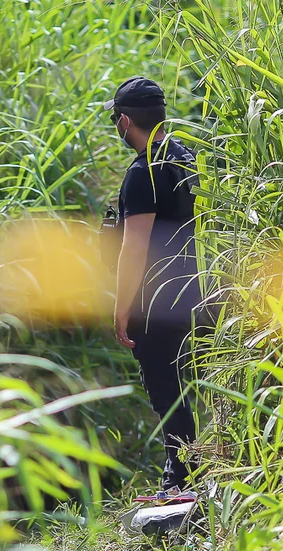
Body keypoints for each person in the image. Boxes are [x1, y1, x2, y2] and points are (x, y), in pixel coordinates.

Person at [105, 76, 205, 493]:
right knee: (184, 381)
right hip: (195, 286)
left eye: (116, 120)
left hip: (157, 297)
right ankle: (191, 467)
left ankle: (182, 476)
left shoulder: (141, 172)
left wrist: (121, 306)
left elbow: (134, 248)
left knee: (165, 385)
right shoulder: (184, 156)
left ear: (125, 121)